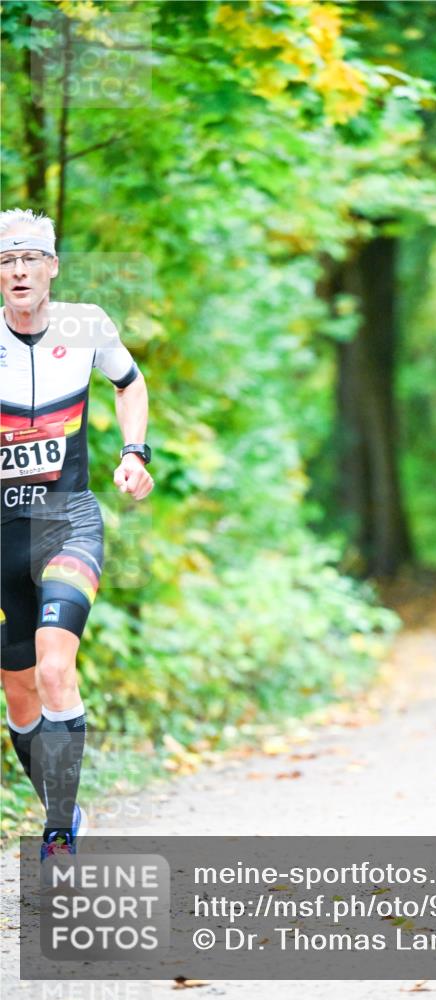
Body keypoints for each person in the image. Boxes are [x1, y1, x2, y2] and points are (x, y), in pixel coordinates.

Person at [0, 208, 153, 859]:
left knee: (57, 664)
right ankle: (64, 808)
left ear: (52, 267)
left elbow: (130, 382)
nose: (19, 271)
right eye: (7, 262)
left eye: (30, 258)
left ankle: (59, 826)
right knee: (20, 689)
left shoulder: (86, 324)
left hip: (68, 520)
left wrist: (134, 451)